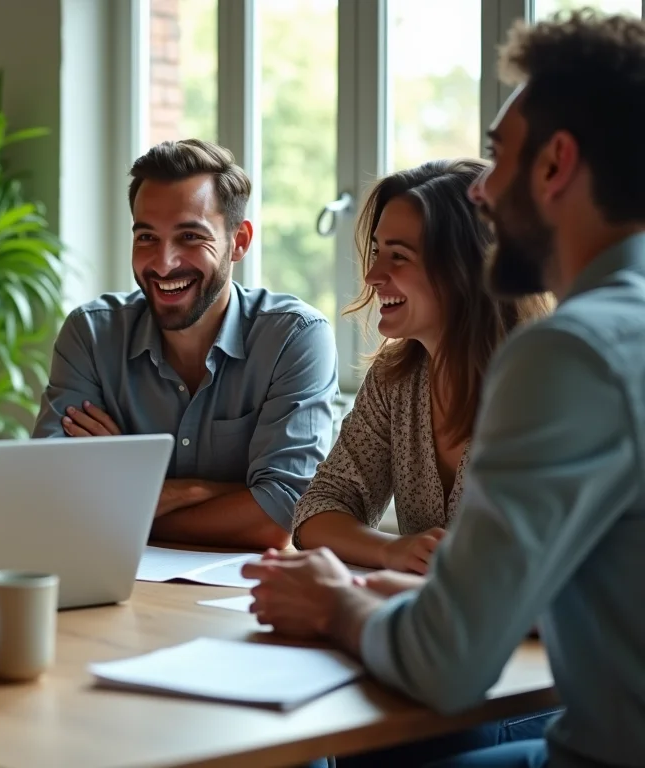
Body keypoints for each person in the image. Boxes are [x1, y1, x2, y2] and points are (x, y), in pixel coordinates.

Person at [244, 10, 645, 768]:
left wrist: (336, 603)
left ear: (556, 165)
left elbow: (448, 660)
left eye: (498, 159)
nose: (484, 193)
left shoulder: (568, 354)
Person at [33, 139, 338, 549]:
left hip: (243, 604)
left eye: (190, 236)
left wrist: (126, 497)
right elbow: (52, 494)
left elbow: (280, 515)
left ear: (240, 241)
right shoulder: (91, 334)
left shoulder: (294, 338)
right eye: (146, 238)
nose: (163, 262)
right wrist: (197, 492)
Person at [292, 159, 550, 574]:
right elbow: (317, 510)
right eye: (377, 252)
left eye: (399, 256)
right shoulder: (395, 380)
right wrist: (389, 551)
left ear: (464, 269)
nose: (373, 274)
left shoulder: (545, 389)